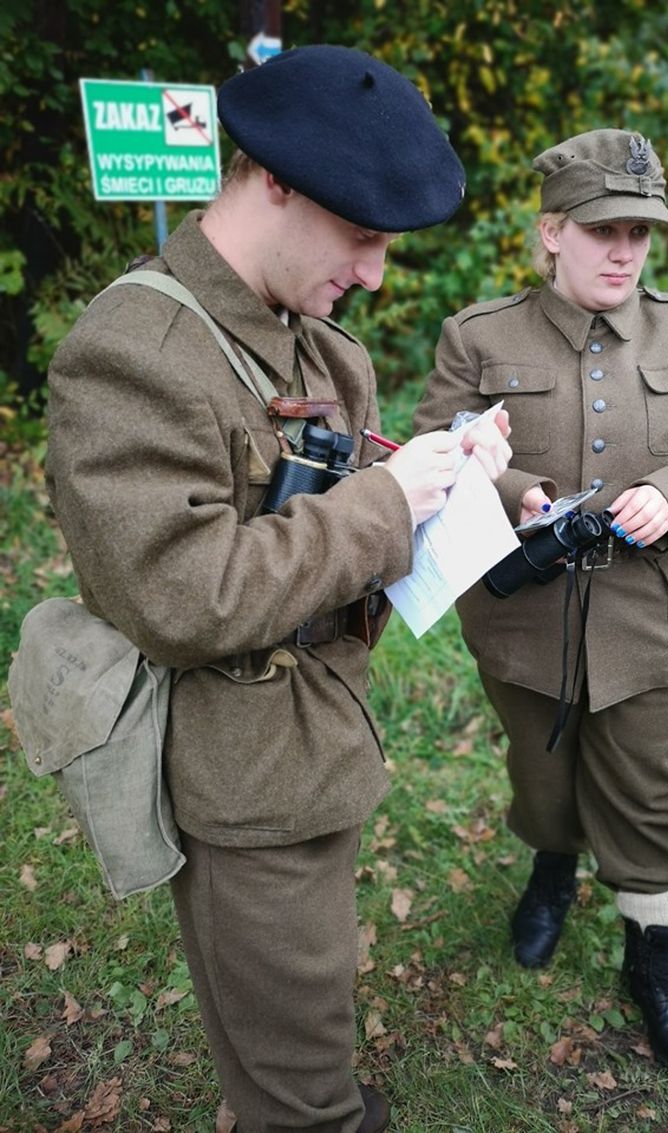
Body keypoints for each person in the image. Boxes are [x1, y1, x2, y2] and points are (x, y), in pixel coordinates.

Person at [46, 46, 511, 1133]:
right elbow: (179, 596)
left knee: (295, 1000)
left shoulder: (326, 354)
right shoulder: (134, 352)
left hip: (319, 739)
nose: (378, 274)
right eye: (363, 236)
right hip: (241, 773)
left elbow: (345, 554)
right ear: (275, 182)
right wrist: (383, 504)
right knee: (292, 1042)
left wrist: (444, 488)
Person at [413, 128, 668, 1079]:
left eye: (639, 233)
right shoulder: (479, 336)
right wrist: (514, 489)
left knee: (650, 790)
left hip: (648, 618)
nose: (624, 251)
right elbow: (431, 450)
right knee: (541, 776)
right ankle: (551, 869)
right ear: (551, 233)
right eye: (603, 229)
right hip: (524, 619)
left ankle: (652, 954)